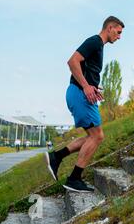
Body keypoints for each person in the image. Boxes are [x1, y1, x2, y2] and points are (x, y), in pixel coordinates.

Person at [44, 16, 124, 192]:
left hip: (81, 93)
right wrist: (87, 86)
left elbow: (86, 69)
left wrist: (93, 86)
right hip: (79, 93)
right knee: (97, 136)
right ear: (110, 27)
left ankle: (56, 157)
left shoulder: (99, 46)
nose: (119, 37)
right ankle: (74, 179)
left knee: (93, 136)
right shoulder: (95, 41)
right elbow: (72, 61)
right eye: (118, 33)